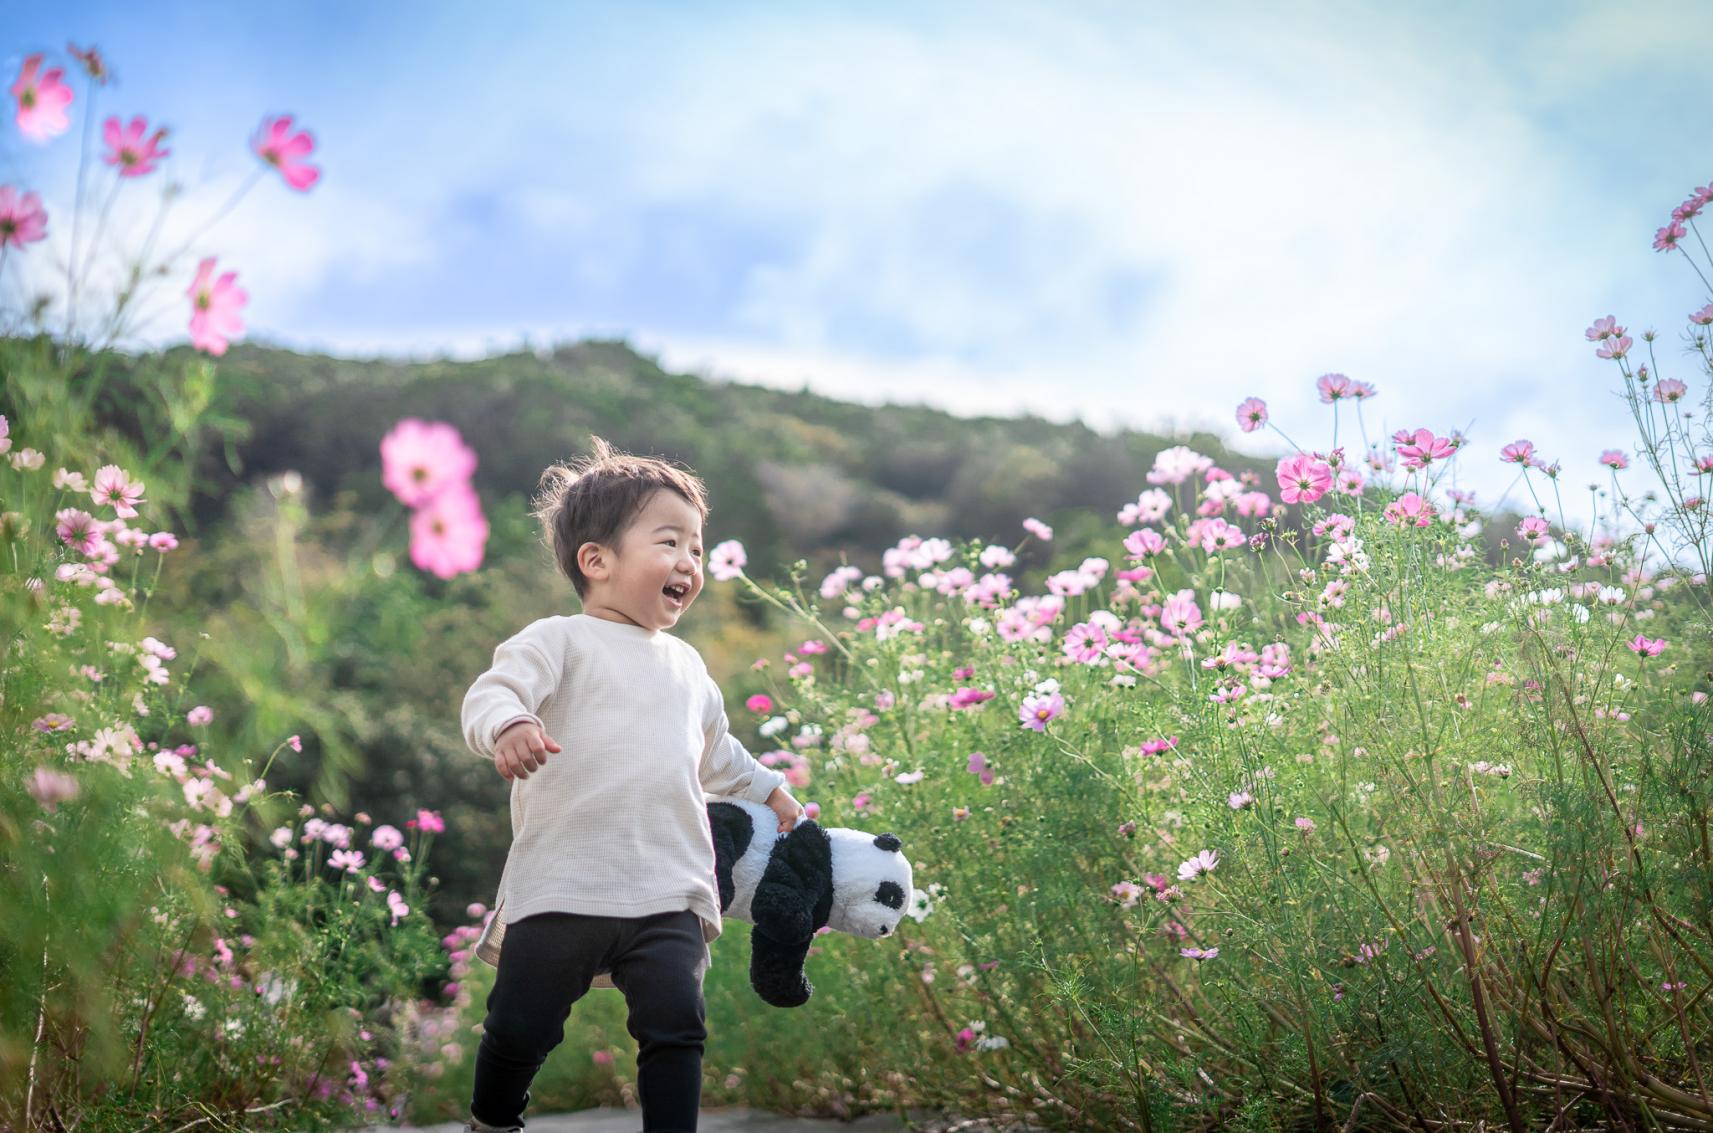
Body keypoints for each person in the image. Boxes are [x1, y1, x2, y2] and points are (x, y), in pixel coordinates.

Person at [459, 435, 804, 1133]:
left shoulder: (687, 666)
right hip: (564, 882)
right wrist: (510, 725)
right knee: (520, 1025)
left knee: (678, 1025)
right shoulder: (558, 640)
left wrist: (768, 786)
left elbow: (716, 752)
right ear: (597, 561)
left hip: (667, 886)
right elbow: (492, 691)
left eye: (698, 549)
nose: (688, 562)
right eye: (669, 541)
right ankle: (493, 1120)